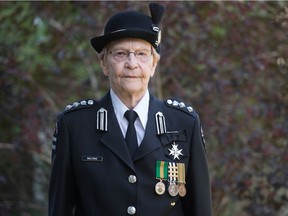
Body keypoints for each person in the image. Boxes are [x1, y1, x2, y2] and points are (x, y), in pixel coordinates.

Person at [49, 3, 212, 216]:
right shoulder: (74, 126)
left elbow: (200, 209)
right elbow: (59, 209)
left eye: (142, 54)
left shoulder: (184, 124)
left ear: (154, 64)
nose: (132, 63)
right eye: (120, 53)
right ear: (104, 63)